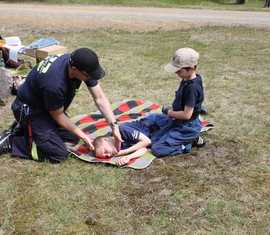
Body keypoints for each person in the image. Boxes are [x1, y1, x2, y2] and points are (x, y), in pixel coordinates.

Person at [0, 48, 122, 163]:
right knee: (58, 153)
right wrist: (84, 136)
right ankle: (13, 141)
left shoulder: (80, 64)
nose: (90, 78)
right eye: (88, 75)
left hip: (47, 106)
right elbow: (58, 115)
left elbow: (99, 98)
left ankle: (28, 130)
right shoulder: (54, 83)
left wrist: (114, 126)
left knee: (73, 137)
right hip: (29, 110)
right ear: (75, 69)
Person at [150, 47, 205, 157]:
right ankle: (185, 138)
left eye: (178, 70)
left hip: (187, 127)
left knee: (157, 149)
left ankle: (188, 143)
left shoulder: (192, 88)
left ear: (190, 69)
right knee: (154, 138)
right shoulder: (187, 79)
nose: (176, 72)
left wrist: (169, 112)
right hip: (178, 121)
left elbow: (186, 115)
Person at [93, 114, 168, 166]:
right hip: (156, 134)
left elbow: (146, 141)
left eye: (105, 151)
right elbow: (143, 149)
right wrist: (128, 157)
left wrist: (124, 152)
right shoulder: (120, 147)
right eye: (106, 156)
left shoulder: (121, 130)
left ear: (105, 140)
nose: (109, 155)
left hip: (155, 122)